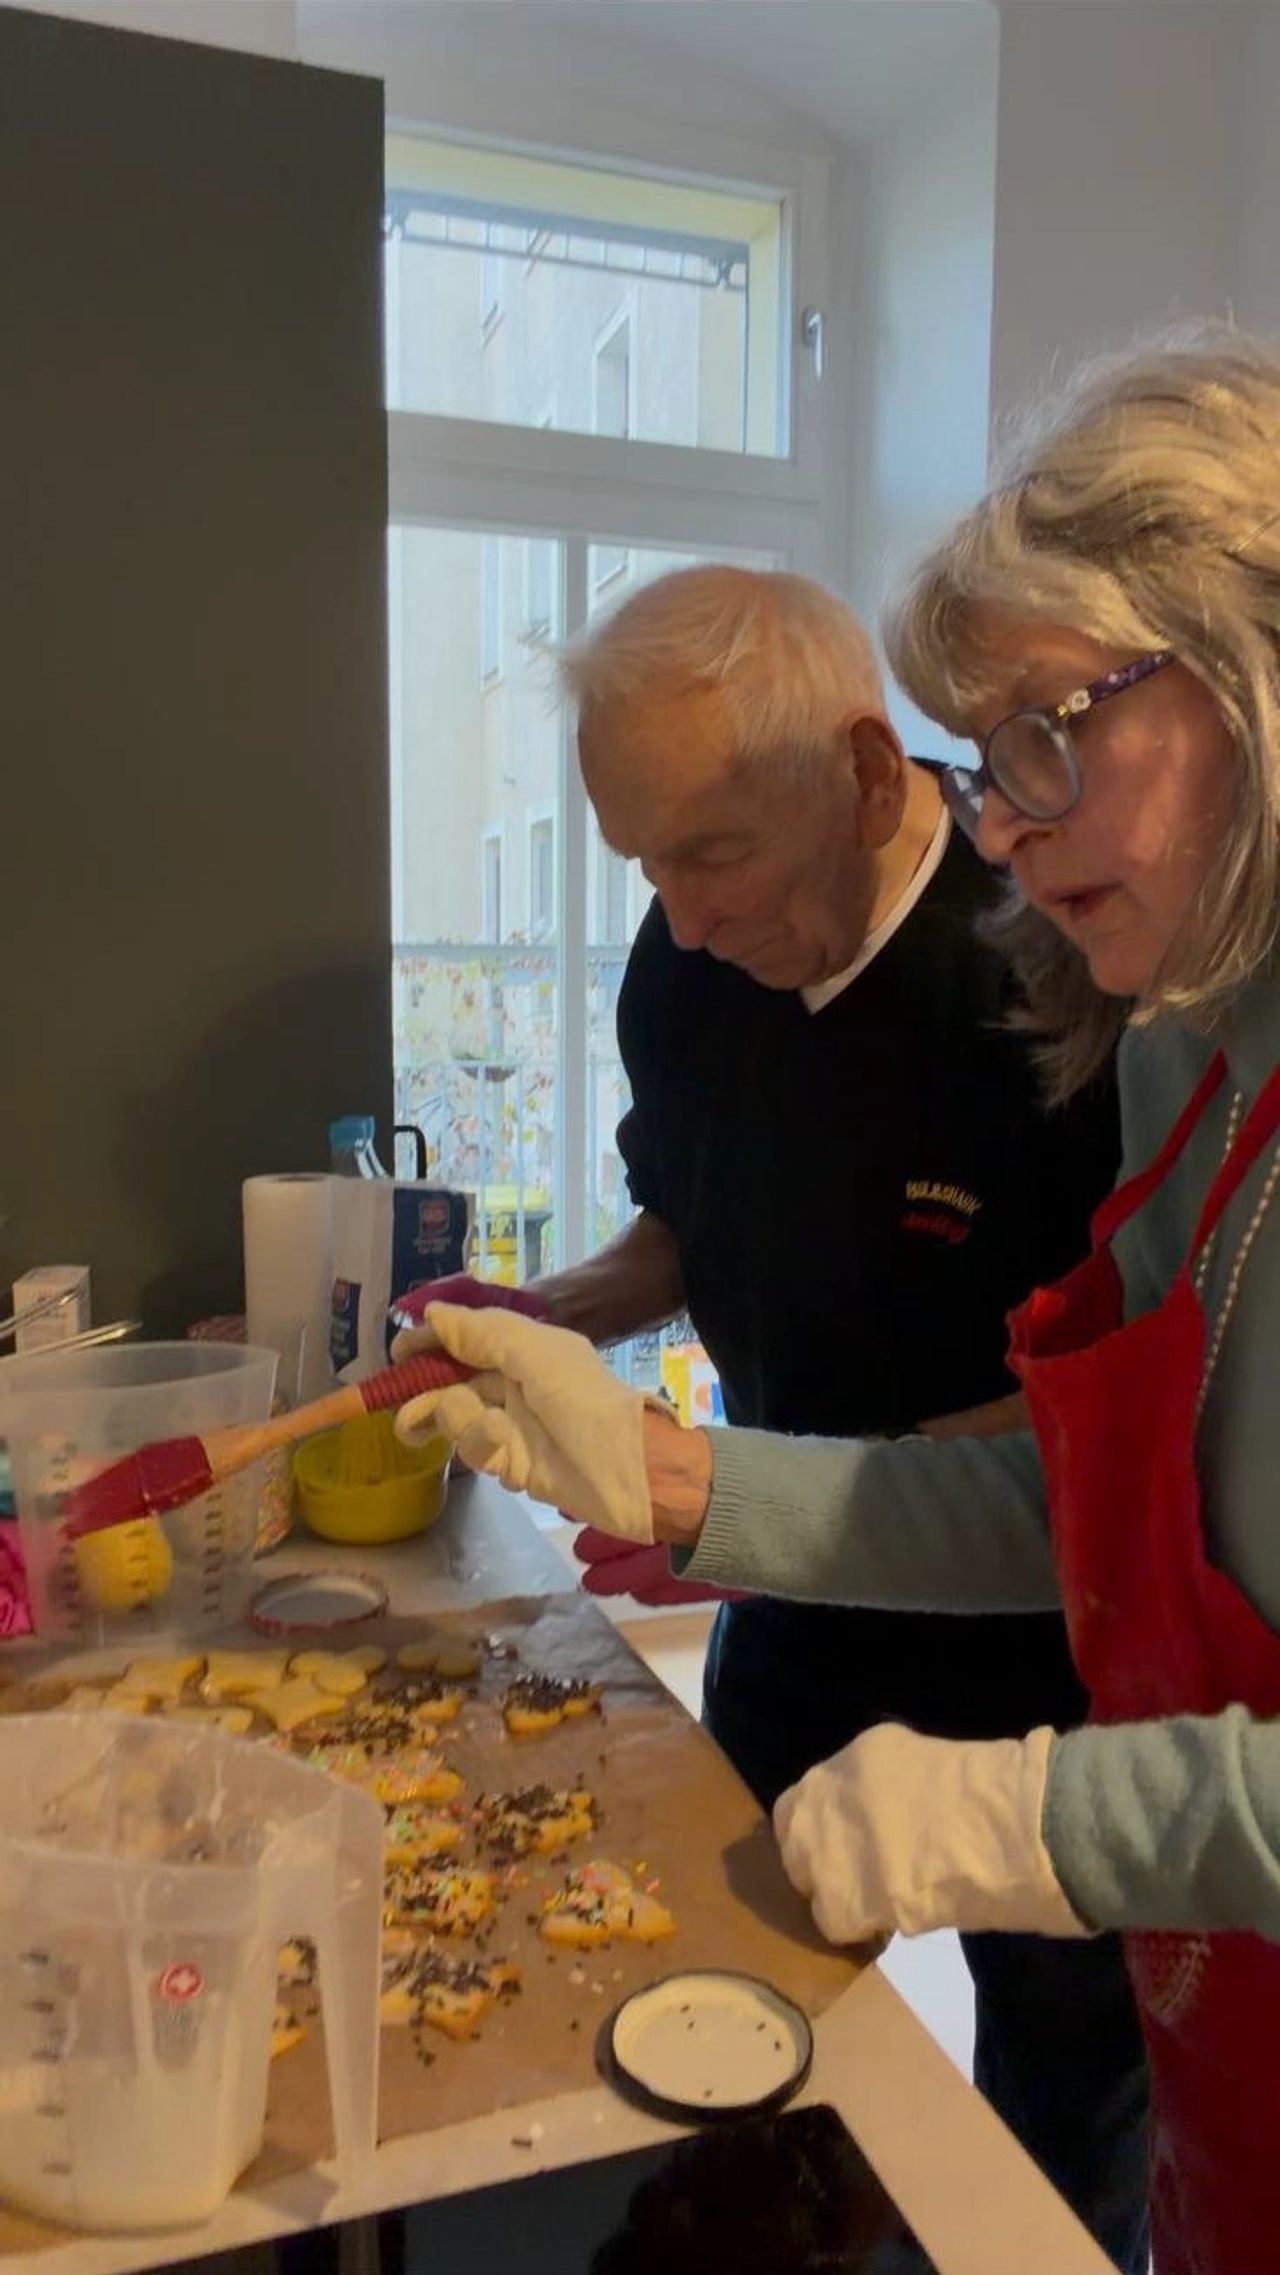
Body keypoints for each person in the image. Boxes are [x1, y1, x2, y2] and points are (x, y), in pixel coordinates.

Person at [396, 330, 1280, 2275]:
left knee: (1053, 2147)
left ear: (1249, 671)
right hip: (1238, 2051)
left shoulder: (1059, 1009)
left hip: (1137, 1818)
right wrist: (678, 1479)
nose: (1010, 821)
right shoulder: (1182, 1062)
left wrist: (1024, 1819)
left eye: (1047, 729)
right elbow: (1081, 1501)